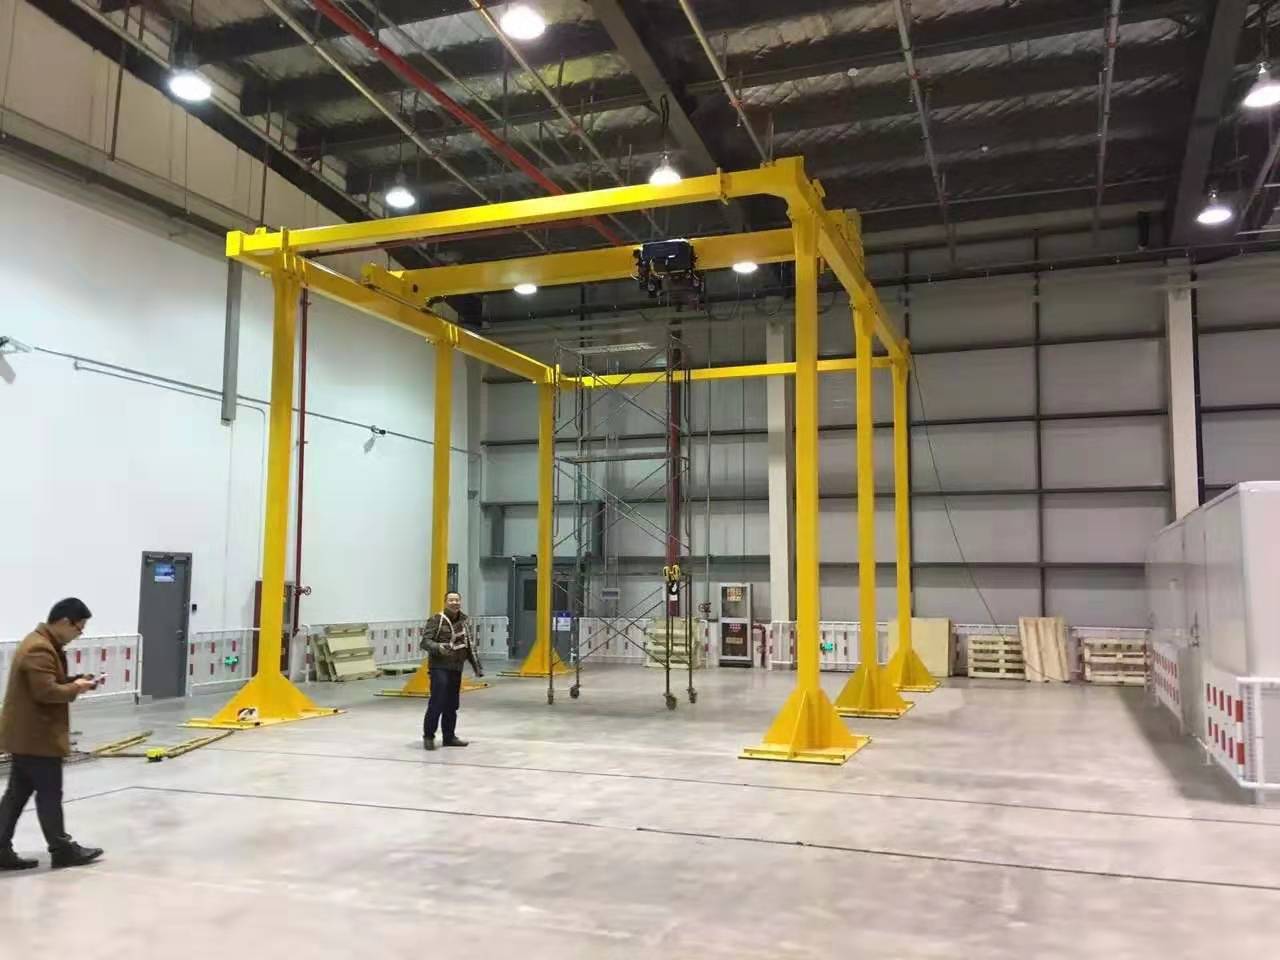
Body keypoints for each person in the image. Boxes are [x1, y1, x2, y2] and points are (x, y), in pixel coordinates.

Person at [0, 598, 104, 871]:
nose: (79, 635)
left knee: (16, 795)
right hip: (37, 737)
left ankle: (0, 849)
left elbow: (49, 681)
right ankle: (62, 849)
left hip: (27, 736)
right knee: (49, 793)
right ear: (64, 622)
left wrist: (76, 681)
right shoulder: (39, 648)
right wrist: (76, 688)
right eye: (78, 628)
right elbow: (45, 692)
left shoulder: (42, 643)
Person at [420, 591, 483, 751]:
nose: (454, 602)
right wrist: (438, 647)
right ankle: (429, 737)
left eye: (457, 600)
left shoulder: (464, 621)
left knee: (452, 704)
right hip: (439, 667)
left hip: (456, 667)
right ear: (445, 602)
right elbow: (425, 642)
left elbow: (469, 645)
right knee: (437, 702)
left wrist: (477, 668)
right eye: (451, 600)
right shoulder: (437, 619)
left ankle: (449, 737)